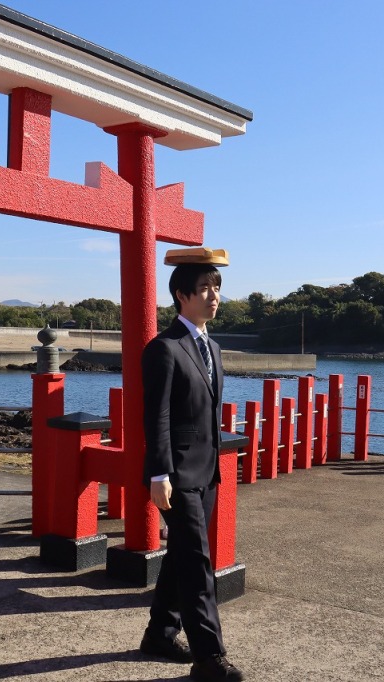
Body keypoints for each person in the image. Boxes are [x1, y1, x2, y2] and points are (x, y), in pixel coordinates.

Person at [138, 254, 244, 682]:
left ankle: (160, 634)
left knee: (182, 553)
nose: (213, 296)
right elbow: (157, 417)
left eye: (216, 287)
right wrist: (159, 475)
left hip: (207, 472)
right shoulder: (164, 348)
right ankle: (209, 658)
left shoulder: (212, 347)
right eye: (204, 289)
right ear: (182, 295)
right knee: (198, 562)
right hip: (177, 475)